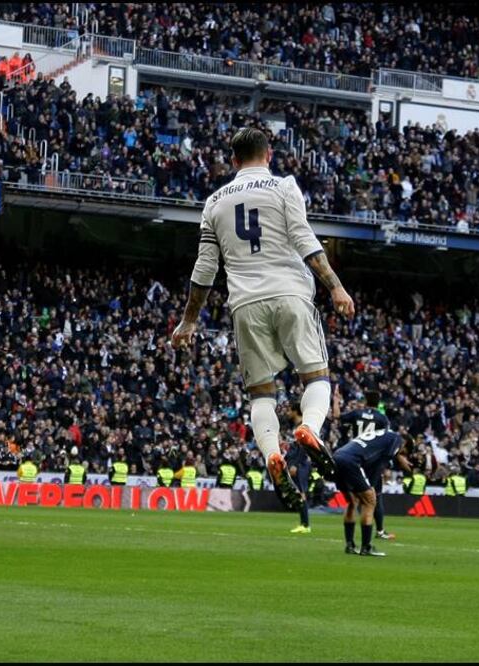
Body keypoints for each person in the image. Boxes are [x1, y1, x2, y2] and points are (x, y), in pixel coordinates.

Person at [172, 127, 353, 512]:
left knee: (261, 393)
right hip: (290, 292)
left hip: (245, 304)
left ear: (233, 160)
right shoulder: (285, 187)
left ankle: (274, 455)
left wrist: (189, 321)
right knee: (316, 377)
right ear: (268, 155)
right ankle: (310, 429)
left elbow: (205, 268)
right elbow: (304, 239)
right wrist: (335, 286)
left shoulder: (214, 203)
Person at [334, 428, 413, 557]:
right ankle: (366, 547)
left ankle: (350, 545)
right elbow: (382, 463)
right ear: (404, 445)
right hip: (352, 461)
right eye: (403, 452)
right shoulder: (397, 439)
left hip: (338, 456)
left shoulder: (383, 434)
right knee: (370, 501)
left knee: (352, 502)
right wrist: (372, 486)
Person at [334, 387, 394, 539]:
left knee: (353, 500)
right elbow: (386, 440)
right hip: (371, 461)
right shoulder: (382, 418)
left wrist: (336, 400)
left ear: (366, 401)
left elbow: (336, 416)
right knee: (375, 497)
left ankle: (350, 541)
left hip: (354, 457)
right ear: (378, 402)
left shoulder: (356, 414)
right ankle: (379, 531)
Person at [284, 405, 312, 533]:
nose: (287, 412)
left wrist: (295, 464)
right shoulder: (296, 426)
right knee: (298, 493)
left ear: (295, 411)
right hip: (295, 463)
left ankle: (305, 525)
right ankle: (303, 523)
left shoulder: (303, 426)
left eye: (289, 410)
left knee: (301, 493)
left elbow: (303, 448)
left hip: (300, 464)